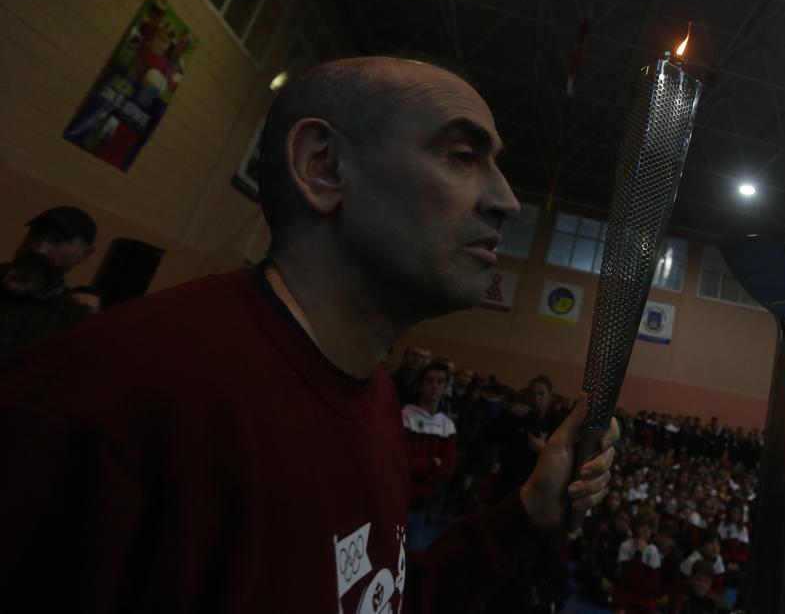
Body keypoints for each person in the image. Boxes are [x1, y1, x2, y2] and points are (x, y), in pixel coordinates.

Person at [0, 57, 619, 613]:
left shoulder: (375, 398)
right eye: (461, 156)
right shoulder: (99, 409)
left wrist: (525, 515)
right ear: (323, 166)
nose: (507, 201)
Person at [0, 205, 97, 353]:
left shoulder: (74, 322)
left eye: (59, 240)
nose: (39, 249)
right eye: (36, 234)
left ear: (84, 255)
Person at [403, 362, 458, 551]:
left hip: (423, 501)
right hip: (400, 495)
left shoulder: (447, 425)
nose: (435, 386)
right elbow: (402, 462)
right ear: (420, 385)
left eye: (440, 382)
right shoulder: (405, 416)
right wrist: (432, 462)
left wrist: (422, 468)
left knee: (412, 553)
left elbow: (447, 469)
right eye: (430, 381)